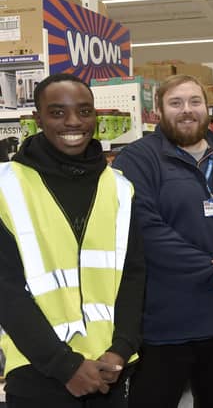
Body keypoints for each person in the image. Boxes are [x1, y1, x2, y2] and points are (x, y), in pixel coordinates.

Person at [112, 74, 213, 408]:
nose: (187, 110)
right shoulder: (137, 160)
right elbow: (147, 231)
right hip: (166, 326)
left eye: (194, 102)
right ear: (158, 111)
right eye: (176, 103)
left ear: (207, 110)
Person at [0, 73, 145, 407]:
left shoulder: (120, 188)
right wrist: (65, 366)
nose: (73, 122)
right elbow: (5, 290)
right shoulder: (8, 188)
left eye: (84, 111)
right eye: (57, 112)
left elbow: (133, 274)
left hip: (108, 369)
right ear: (38, 119)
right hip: (39, 371)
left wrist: (121, 348)